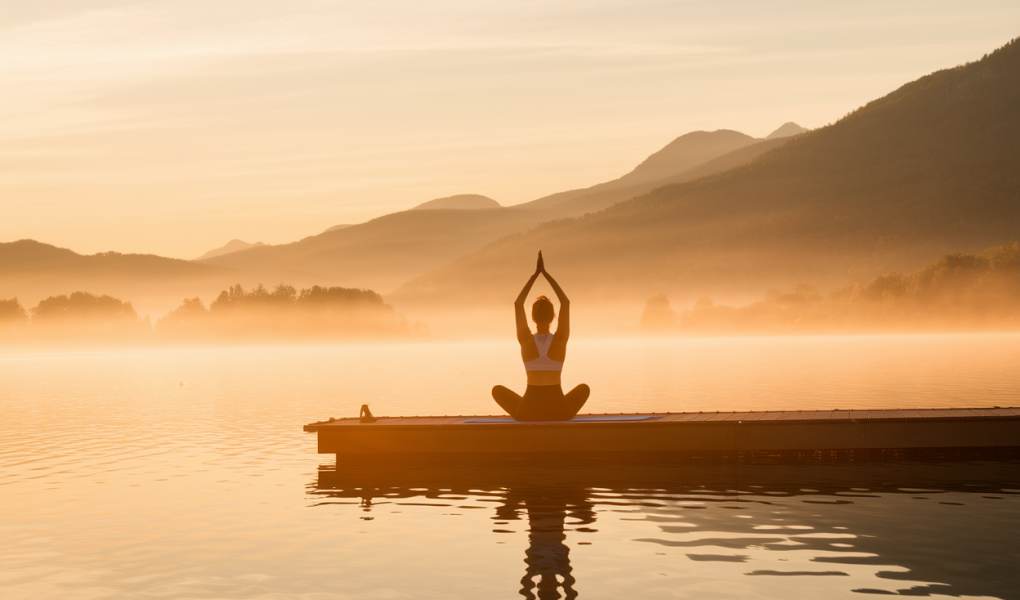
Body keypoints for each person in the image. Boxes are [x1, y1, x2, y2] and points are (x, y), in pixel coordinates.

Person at [492, 251, 590, 421]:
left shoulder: (525, 340)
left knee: (497, 390)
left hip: (527, 412)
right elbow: (565, 302)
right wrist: (545, 273)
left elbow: (518, 303)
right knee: (584, 388)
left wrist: (535, 275)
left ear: (533, 317)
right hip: (560, 412)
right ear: (553, 316)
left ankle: (531, 405)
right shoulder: (560, 340)